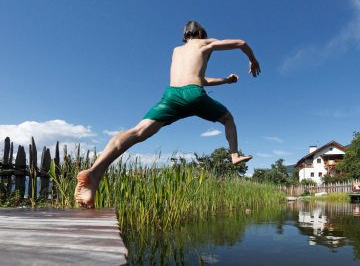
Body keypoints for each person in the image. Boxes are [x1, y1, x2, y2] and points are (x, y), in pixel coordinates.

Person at [74, 21, 261, 208]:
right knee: (228, 119)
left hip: (172, 94)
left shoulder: (177, 51)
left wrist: (225, 81)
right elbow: (241, 43)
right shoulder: (204, 42)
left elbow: (200, 79)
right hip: (193, 94)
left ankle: (94, 172)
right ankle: (234, 155)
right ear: (201, 33)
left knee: (138, 131)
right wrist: (252, 60)